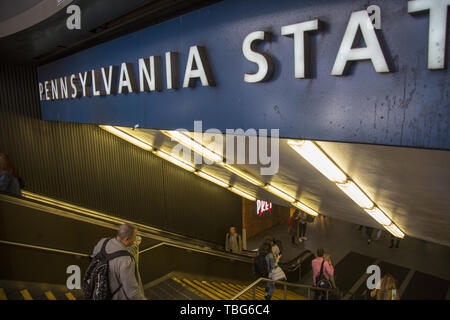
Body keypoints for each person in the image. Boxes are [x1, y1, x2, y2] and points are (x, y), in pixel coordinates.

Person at [90, 223, 146, 300]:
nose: (135, 240)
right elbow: (132, 292)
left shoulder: (102, 242)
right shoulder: (126, 260)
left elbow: (93, 259)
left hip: (98, 292)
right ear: (127, 240)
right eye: (134, 237)